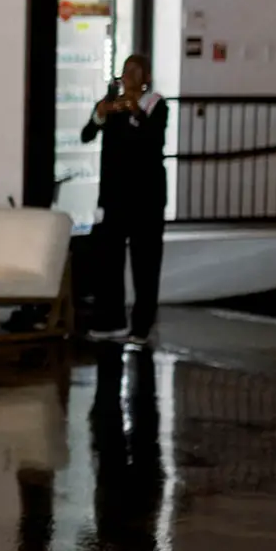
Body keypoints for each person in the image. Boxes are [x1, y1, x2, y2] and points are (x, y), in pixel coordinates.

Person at [81, 53, 169, 346]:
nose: (129, 75)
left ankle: (142, 326)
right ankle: (111, 320)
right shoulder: (112, 103)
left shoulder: (155, 105)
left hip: (147, 198)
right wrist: (100, 114)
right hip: (114, 196)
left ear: (146, 78)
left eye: (135, 70)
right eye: (125, 70)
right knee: (108, 260)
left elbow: (153, 141)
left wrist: (136, 113)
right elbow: (86, 134)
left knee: (145, 261)